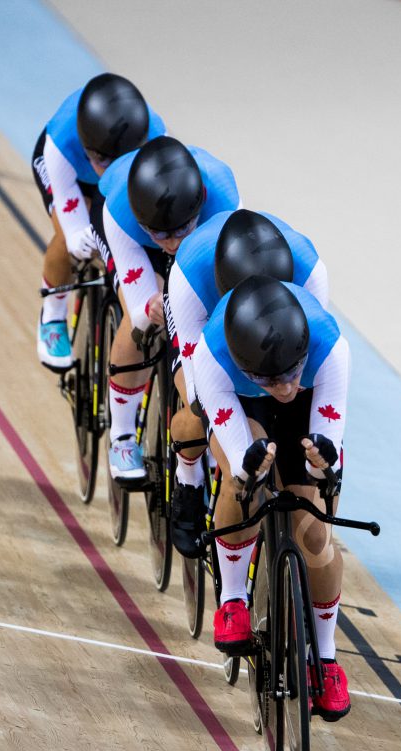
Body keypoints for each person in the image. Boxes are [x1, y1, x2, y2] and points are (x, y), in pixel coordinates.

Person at [187, 276, 353, 720]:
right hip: (244, 404)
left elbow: (326, 463)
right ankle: (234, 599)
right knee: (244, 485)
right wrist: (248, 470)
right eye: (271, 379)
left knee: (315, 530)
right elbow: (240, 459)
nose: (283, 387)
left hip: (311, 402)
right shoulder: (212, 356)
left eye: (291, 373)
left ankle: (326, 657)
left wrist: (323, 466)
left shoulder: (330, 349)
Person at [162, 209, 330, 555]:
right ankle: (188, 476)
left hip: (273, 346)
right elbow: (202, 390)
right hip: (211, 331)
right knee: (200, 412)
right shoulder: (190, 277)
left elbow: (307, 353)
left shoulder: (309, 272)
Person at [96, 136, 238, 483]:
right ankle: (123, 435)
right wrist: (152, 303)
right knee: (142, 320)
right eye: (163, 235)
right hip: (132, 241)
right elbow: (145, 300)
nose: (173, 242)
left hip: (203, 239)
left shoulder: (223, 197)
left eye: (180, 230)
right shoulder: (122, 213)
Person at [31, 73, 165, 370]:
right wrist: (80, 232)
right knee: (69, 239)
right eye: (103, 160)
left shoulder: (154, 134)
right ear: (87, 146)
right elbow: (72, 216)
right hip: (70, 176)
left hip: (120, 182)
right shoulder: (62, 139)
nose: (109, 169)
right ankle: (53, 315)